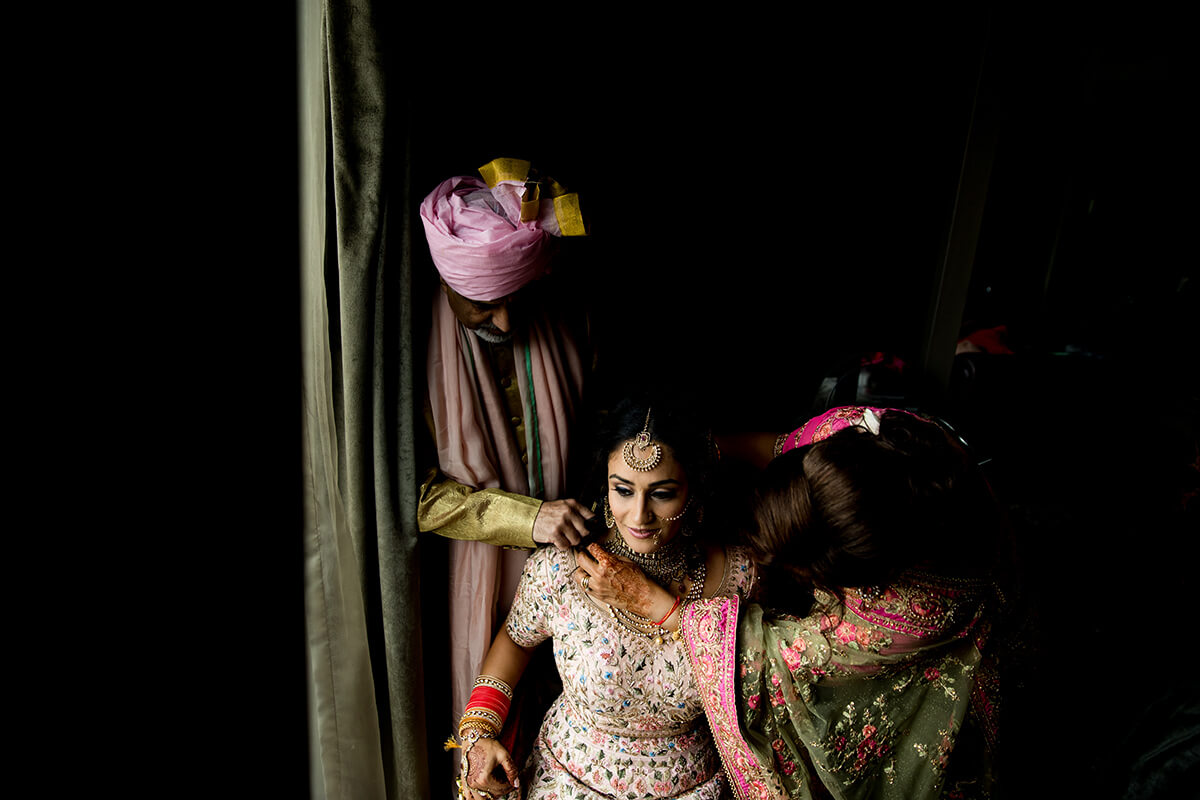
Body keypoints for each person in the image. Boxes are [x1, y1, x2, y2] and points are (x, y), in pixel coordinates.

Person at [610, 406, 1014, 799]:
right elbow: (774, 446)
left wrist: (662, 607)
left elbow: (777, 659)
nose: (641, 514)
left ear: (847, 580)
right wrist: (687, 450)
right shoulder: (848, 436)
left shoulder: (916, 608)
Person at [454, 396, 761, 800]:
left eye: (662, 494)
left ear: (693, 492)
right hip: (566, 782)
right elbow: (515, 640)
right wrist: (480, 731)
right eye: (623, 490)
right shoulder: (561, 570)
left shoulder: (740, 576)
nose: (638, 516)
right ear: (605, 486)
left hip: (697, 788)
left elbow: (764, 670)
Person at [417, 158, 597, 749]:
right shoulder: (415, 353)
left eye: (515, 296)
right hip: (479, 576)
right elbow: (417, 498)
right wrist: (530, 518)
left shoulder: (564, 318)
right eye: (482, 305)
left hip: (580, 559)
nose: (505, 319)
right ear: (447, 283)